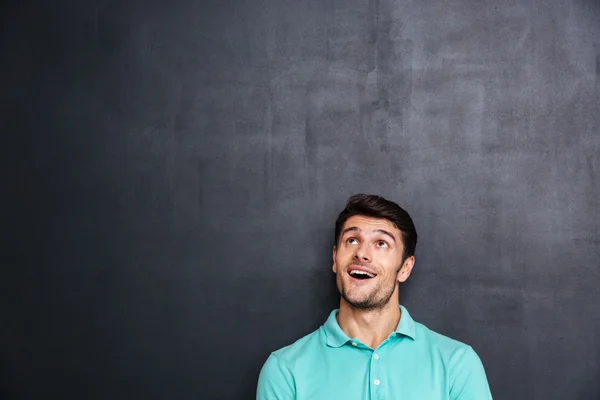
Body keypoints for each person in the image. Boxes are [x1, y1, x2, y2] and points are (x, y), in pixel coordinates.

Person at [256, 194, 493, 400]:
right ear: (335, 258)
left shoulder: (457, 364)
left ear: (405, 268)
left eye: (381, 243)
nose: (362, 253)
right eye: (352, 240)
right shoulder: (285, 370)